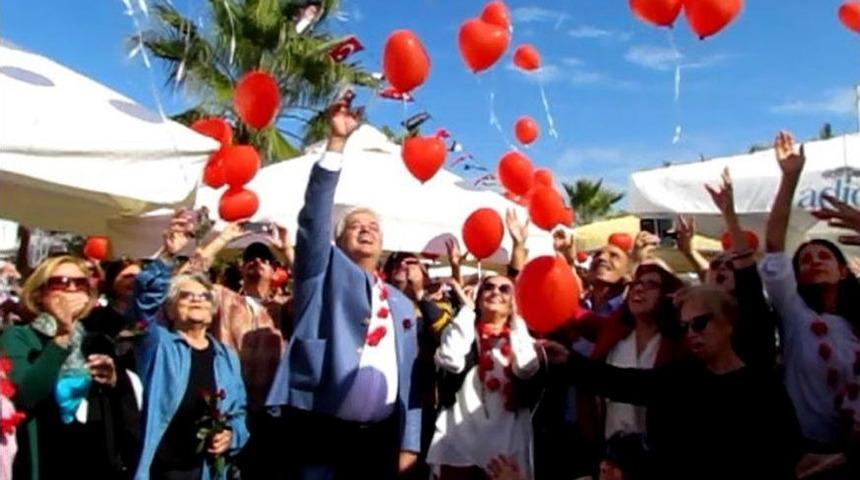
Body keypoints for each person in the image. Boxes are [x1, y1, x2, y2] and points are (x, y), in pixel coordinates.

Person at [265, 98, 421, 479]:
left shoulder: (401, 304)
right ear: (339, 239)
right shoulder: (322, 271)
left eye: (373, 227)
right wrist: (336, 143)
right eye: (356, 225)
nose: (366, 229)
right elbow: (315, 218)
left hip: (380, 440)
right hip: (321, 429)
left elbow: (411, 380)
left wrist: (410, 441)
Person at [542, 285, 803, 479]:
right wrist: (569, 361)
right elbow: (623, 383)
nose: (692, 333)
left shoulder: (762, 386)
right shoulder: (681, 378)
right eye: (685, 327)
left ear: (728, 323)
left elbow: (785, 454)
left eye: (700, 323)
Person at [761, 131, 860, 454]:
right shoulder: (795, 315)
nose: (814, 262)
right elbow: (774, 246)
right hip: (808, 451)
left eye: (824, 256)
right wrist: (790, 177)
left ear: (844, 270)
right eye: (805, 259)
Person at [0, 255, 141, 479]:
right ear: (40, 293)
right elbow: (25, 396)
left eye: (81, 283)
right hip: (46, 461)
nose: (73, 289)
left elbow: (124, 407)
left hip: (95, 463)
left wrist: (115, 380)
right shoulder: (18, 337)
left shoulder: (99, 340)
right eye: (62, 282)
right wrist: (61, 337)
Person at [131, 218, 248, 480]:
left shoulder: (226, 356)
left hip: (205, 470)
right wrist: (168, 255)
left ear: (213, 310)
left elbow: (239, 411)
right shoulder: (157, 344)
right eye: (185, 295)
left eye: (204, 296)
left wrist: (231, 436)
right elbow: (144, 303)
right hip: (161, 469)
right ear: (170, 310)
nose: (197, 299)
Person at [427, 274, 540, 480]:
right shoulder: (460, 332)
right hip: (460, 445)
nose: (496, 292)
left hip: (506, 447)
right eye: (488, 288)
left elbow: (526, 367)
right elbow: (450, 359)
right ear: (478, 298)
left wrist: (517, 321)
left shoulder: (522, 339)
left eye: (505, 289)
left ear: (513, 302)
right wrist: (468, 311)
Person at [569, 263, 685, 441]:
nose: (639, 288)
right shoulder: (614, 336)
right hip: (611, 450)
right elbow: (576, 316)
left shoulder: (678, 344)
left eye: (651, 284)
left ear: (667, 295)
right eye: (635, 284)